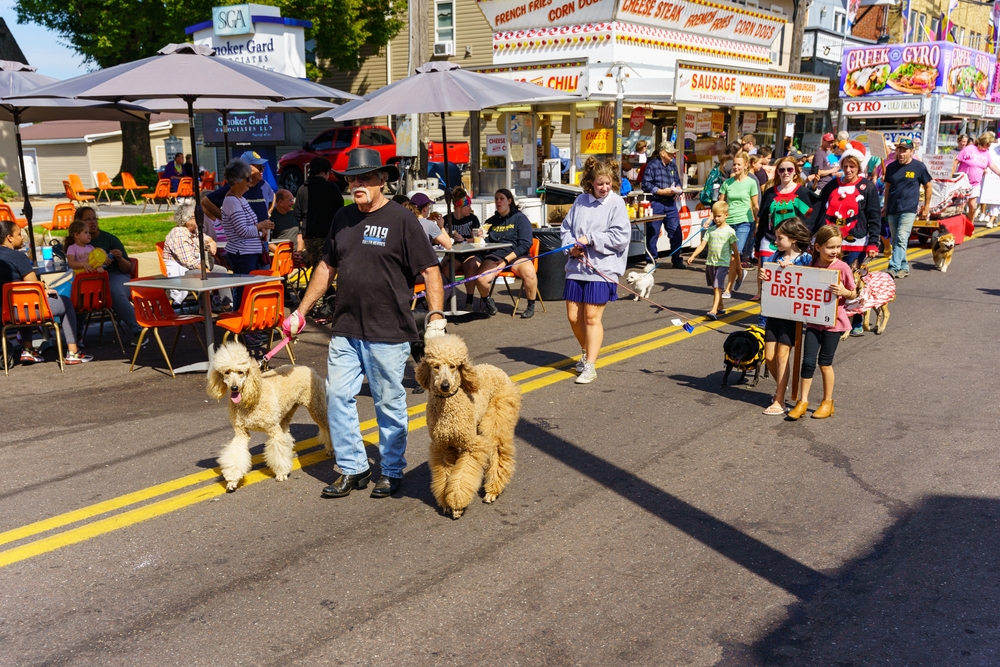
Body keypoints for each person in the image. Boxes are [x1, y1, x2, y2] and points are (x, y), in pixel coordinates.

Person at [286, 148, 445, 499]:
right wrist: (301, 311)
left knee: (388, 402)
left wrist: (435, 316)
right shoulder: (342, 218)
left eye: (364, 178)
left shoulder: (403, 220)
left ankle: (390, 469)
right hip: (345, 328)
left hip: (387, 329)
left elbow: (430, 269)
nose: (356, 184)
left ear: (381, 180)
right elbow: (326, 268)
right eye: (351, 179)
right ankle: (354, 467)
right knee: (338, 396)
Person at [560, 157, 631, 385]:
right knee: (573, 317)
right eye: (600, 184)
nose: (604, 188)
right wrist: (570, 247)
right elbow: (566, 229)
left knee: (591, 317)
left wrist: (591, 239)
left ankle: (590, 365)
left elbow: (620, 238)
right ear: (590, 182)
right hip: (576, 267)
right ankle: (586, 350)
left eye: (608, 183)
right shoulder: (580, 201)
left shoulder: (616, 203)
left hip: (602, 269)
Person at [787, 225, 857, 421]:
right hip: (813, 322)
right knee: (807, 362)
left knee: (825, 363)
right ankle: (803, 401)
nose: (835, 251)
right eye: (830, 247)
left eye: (837, 247)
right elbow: (796, 278)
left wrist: (844, 292)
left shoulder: (842, 267)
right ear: (817, 247)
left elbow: (854, 292)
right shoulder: (811, 265)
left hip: (834, 324)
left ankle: (827, 402)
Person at [0, 221, 92, 365]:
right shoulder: (18, 257)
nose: (22, 238)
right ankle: (73, 351)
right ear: (9, 238)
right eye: (19, 234)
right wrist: (45, 288)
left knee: (23, 301)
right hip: (25, 309)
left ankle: (28, 349)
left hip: (6, 312)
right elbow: (33, 285)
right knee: (65, 302)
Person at [760, 218, 813, 415]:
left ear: (792, 239)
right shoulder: (775, 256)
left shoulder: (806, 258)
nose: (776, 241)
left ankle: (780, 400)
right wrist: (765, 277)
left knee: (783, 356)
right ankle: (782, 386)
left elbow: (812, 279)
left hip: (793, 316)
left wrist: (796, 271)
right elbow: (769, 282)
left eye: (779, 237)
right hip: (774, 312)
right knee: (769, 357)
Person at [77, 206, 145, 346]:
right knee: (78, 292)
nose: (93, 222)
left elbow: (128, 268)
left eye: (94, 218)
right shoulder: (76, 243)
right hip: (89, 278)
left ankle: (139, 331)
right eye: (88, 220)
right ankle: (75, 337)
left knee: (113, 291)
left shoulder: (109, 239)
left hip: (115, 275)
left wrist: (120, 259)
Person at [468, 189, 539, 319]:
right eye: (496, 199)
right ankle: (488, 301)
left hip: (516, 255)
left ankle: (531, 305)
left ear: (509, 200)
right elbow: (484, 244)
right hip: (495, 255)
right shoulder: (490, 221)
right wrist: (479, 238)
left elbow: (525, 244)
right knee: (481, 279)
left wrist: (505, 261)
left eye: (501, 198)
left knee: (529, 272)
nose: (498, 201)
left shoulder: (520, 218)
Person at [753, 156, 814, 300]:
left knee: (789, 282)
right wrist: (756, 246)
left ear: (795, 172)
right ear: (778, 172)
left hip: (794, 244)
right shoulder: (770, 193)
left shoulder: (802, 193)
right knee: (767, 278)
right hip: (770, 240)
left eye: (789, 169)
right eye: (782, 170)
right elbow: (762, 222)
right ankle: (764, 317)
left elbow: (810, 218)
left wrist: (805, 241)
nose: (785, 172)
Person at [219, 159, 274, 308]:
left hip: (249, 251)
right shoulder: (232, 201)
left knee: (250, 289)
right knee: (244, 291)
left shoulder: (240, 198)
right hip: (242, 253)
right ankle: (242, 324)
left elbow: (248, 226)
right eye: (247, 179)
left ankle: (248, 323)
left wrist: (260, 229)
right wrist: (260, 226)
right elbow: (242, 231)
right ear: (237, 181)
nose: (250, 182)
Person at [162, 202, 232, 309]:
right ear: (187, 219)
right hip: (182, 270)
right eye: (197, 216)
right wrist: (206, 270)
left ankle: (226, 305)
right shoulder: (179, 234)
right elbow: (189, 262)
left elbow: (204, 237)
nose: (200, 219)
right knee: (204, 274)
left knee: (222, 271)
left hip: (195, 265)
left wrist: (211, 241)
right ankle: (203, 309)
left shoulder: (194, 231)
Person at [884, 137, 934, 281]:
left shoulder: (919, 167)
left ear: (911, 151)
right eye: (899, 150)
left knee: (901, 237)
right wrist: (886, 205)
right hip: (893, 208)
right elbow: (887, 187)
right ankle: (904, 267)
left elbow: (928, 186)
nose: (901, 153)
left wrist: (926, 207)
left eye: (904, 150)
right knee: (897, 240)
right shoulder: (891, 167)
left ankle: (893, 267)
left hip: (909, 209)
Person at [686, 201, 739, 320]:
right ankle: (720, 305)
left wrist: (738, 264)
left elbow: (735, 250)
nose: (716, 219)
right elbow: (702, 245)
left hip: (722, 263)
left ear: (726, 215)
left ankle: (713, 310)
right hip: (711, 262)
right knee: (715, 286)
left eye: (719, 216)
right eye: (714, 216)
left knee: (717, 286)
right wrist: (693, 256)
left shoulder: (730, 231)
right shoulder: (710, 230)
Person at [718, 152, 759, 295]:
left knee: (735, 255)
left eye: (738, 164)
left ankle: (728, 288)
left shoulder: (751, 183)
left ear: (746, 166)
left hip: (744, 221)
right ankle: (740, 273)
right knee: (728, 255)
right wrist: (714, 219)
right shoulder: (727, 183)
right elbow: (721, 204)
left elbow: (755, 205)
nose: (735, 167)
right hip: (729, 222)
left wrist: (757, 223)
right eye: (734, 164)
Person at [201, 151, 275, 229]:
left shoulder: (264, 184)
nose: (262, 170)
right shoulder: (234, 187)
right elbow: (206, 202)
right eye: (259, 167)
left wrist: (268, 213)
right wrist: (226, 221)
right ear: (247, 168)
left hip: (263, 236)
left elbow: (273, 195)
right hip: (245, 237)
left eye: (263, 167)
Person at [640, 141, 684, 269]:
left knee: (676, 232)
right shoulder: (652, 165)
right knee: (653, 233)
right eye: (670, 153)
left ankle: (677, 260)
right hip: (656, 202)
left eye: (673, 153)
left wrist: (678, 188)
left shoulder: (672, 166)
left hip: (670, 203)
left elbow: (678, 181)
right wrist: (660, 191)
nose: (672, 155)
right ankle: (651, 261)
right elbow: (646, 184)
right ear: (662, 153)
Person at [955, 132, 1000, 223]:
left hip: (975, 184)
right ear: (984, 142)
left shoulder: (986, 153)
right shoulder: (969, 149)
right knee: (960, 207)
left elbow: (991, 165)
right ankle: (958, 225)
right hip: (963, 183)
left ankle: (970, 224)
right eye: (988, 144)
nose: (989, 146)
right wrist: (952, 177)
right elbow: (956, 161)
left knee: (972, 206)